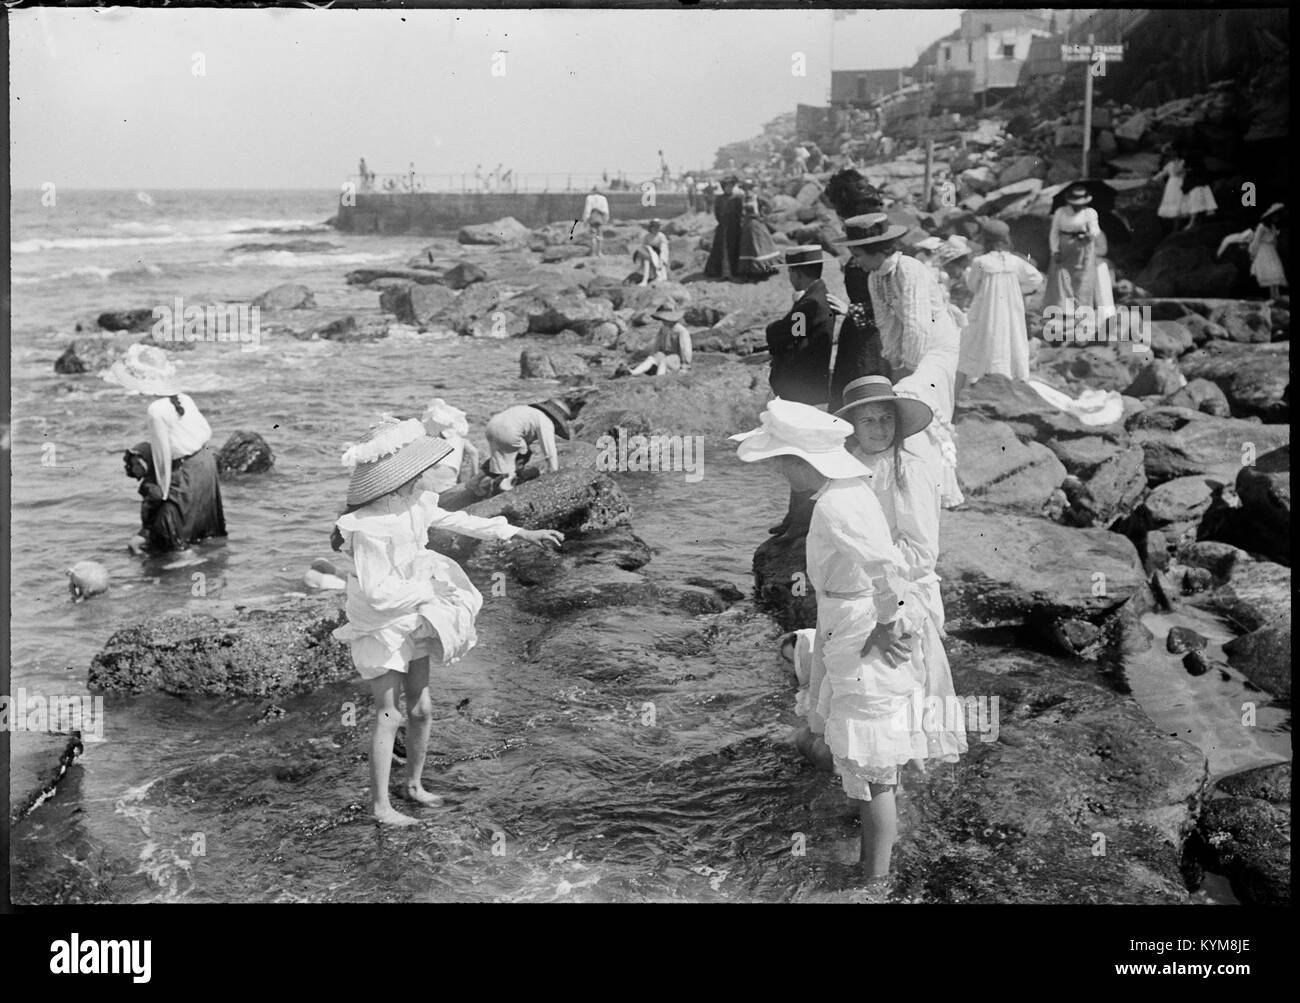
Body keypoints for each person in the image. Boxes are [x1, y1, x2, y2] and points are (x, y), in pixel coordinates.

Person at [730, 398, 934, 898]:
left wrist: (889, 624)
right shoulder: (841, 491)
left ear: (803, 462)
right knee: (866, 766)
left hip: (858, 629)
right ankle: (869, 863)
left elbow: (888, 566)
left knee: (877, 769)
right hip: (844, 625)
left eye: (780, 462)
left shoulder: (840, 504)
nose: (779, 471)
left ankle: (876, 883)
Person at [330, 417, 563, 825]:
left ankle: (414, 785)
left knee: (421, 708)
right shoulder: (364, 525)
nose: (423, 473)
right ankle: (381, 807)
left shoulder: (417, 502)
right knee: (389, 713)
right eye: (415, 468)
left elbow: (463, 521)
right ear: (395, 475)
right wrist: (429, 593)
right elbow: (376, 592)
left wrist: (520, 533)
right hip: (382, 621)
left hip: (416, 611)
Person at [835, 376, 968, 768]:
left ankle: (904, 774)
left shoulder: (910, 468)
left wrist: (870, 558)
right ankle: (874, 769)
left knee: (903, 685)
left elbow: (922, 551)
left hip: (902, 591)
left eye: (885, 420)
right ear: (853, 428)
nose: (880, 430)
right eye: (869, 422)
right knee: (869, 690)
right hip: (862, 588)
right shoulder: (848, 464)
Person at [839, 215, 964, 508]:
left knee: (919, 399)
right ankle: (913, 479)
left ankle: (945, 487)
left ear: (878, 250)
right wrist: (894, 360)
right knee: (903, 394)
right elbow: (886, 324)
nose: (855, 262)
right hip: (913, 347)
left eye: (858, 255)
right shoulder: (875, 278)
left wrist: (908, 366)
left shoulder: (910, 269)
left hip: (937, 346)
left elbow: (917, 323)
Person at [104, 344, 226, 554]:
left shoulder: (156, 409)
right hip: (206, 463)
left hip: (187, 470)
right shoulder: (183, 398)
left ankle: (184, 563)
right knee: (201, 525)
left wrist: (163, 494)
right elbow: (205, 430)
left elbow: (162, 458)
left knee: (172, 527)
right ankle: (210, 561)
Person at [764, 245, 835, 540]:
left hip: (805, 392)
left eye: (790, 273)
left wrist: (773, 328)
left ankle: (800, 521)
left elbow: (783, 335)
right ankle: (794, 518)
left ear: (796, 273)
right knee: (798, 456)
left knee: (800, 458)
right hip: (807, 389)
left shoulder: (811, 304)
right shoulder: (816, 298)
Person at [820, 170, 889, 412]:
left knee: (866, 398)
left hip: (872, 338)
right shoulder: (871, 241)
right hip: (859, 333)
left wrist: (850, 309)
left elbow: (888, 303)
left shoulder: (873, 252)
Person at [957, 219, 1043, 387]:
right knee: (1012, 336)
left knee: (986, 337)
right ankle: (1012, 375)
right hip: (1011, 309)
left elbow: (973, 285)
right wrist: (1018, 289)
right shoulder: (1015, 261)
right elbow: (1036, 278)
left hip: (987, 309)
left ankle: (984, 376)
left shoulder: (980, 262)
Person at [481, 399, 571, 491]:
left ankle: (476, 481)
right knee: (523, 454)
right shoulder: (546, 421)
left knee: (499, 456)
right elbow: (549, 450)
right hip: (509, 432)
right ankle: (507, 481)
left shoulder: (529, 411)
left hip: (492, 425)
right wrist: (553, 471)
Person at [1044, 184, 1103, 314]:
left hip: (1083, 248)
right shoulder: (1061, 212)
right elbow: (1054, 232)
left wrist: (1089, 235)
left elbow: (1095, 229)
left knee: (1081, 279)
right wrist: (1055, 250)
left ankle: (1081, 308)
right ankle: (1061, 308)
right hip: (1064, 247)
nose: (1078, 206)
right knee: (1061, 277)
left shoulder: (1089, 213)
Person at [615, 307, 692, 377]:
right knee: (652, 358)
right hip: (665, 354)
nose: (663, 321)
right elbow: (657, 343)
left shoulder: (681, 331)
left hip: (676, 359)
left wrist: (685, 366)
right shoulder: (663, 329)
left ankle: (659, 378)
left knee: (664, 362)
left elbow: (685, 349)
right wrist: (654, 354)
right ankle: (633, 372)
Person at [736, 181, 780, 280]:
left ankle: (767, 270)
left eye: (749, 189)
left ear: (752, 189)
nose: (747, 191)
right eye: (745, 189)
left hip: (757, 226)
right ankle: (752, 271)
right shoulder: (742, 200)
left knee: (761, 248)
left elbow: (770, 206)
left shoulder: (757, 198)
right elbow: (740, 212)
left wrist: (763, 216)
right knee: (748, 249)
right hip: (747, 227)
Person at [703, 176, 744, 279]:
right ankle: (722, 272)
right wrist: (722, 221)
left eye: (730, 186)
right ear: (723, 187)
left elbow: (739, 213)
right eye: (727, 186)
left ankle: (733, 272)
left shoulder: (737, 199)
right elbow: (717, 212)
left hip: (734, 227)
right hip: (723, 227)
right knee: (722, 249)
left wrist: (734, 223)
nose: (728, 188)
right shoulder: (719, 199)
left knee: (734, 248)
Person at [1248, 203, 1287, 299]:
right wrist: (1253, 253)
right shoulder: (1262, 227)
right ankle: (1271, 296)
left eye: (1277, 217)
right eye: (1275, 216)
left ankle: (1276, 295)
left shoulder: (1273, 227)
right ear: (1270, 217)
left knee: (1276, 270)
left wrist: (1275, 247)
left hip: (1271, 251)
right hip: (1263, 250)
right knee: (1268, 271)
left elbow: (1274, 241)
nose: (1276, 218)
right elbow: (1256, 241)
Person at [632, 218, 671, 285]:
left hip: (658, 256)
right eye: (654, 227)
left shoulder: (661, 236)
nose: (656, 228)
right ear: (651, 227)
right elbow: (644, 247)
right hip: (649, 255)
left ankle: (648, 279)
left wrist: (661, 260)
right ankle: (645, 279)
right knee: (646, 259)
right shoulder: (647, 236)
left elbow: (664, 249)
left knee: (649, 260)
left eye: (657, 227)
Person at [582, 187, 610, 256]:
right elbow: (606, 211)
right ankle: (599, 252)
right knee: (600, 236)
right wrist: (606, 219)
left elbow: (587, 210)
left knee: (593, 236)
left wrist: (585, 221)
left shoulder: (589, 198)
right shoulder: (603, 198)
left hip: (593, 217)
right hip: (600, 218)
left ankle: (593, 252)